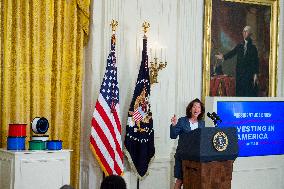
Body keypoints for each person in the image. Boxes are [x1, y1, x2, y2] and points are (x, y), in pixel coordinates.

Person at [170, 98, 205, 189]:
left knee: (193, 180)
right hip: (182, 156)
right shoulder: (182, 121)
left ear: (201, 111)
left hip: (196, 158)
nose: (196, 109)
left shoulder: (202, 124)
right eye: (194, 107)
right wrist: (174, 125)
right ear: (190, 109)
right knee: (180, 180)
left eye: (198, 107)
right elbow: (173, 136)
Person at [215, 25, 259, 96]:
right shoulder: (240, 46)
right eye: (243, 31)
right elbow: (232, 53)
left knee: (248, 93)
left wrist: (255, 74)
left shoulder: (253, 48)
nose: (244, 33)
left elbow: (256, 62)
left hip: (249, 75)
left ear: (250, 33)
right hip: (240, 74)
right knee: (239, 93)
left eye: (246, 31)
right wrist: (223, 56)